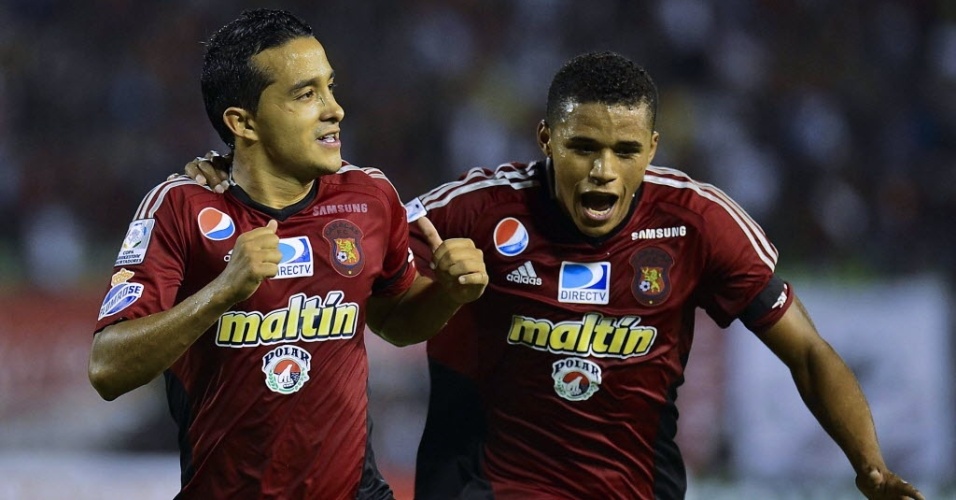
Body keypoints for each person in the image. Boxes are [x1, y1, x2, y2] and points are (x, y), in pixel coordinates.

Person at [184, 52, 923, 499]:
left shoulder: (698, 222)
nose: (604, 170)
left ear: (653, 147)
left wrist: (869, 466)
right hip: (484, 488)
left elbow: (809, 352)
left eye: (626, 149)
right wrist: (238, 179)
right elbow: (337, 227)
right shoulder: (474, 210)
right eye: (583, 146)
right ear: (546, 139)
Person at [89, 9, 486, 500]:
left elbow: (395, 322)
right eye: (306, 94)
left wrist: (448, 293)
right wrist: (222, 292)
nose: (334, 109)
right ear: (243, 121)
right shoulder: (180, 207)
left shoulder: (370, 196)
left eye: (330, 87)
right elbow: (107, 369)